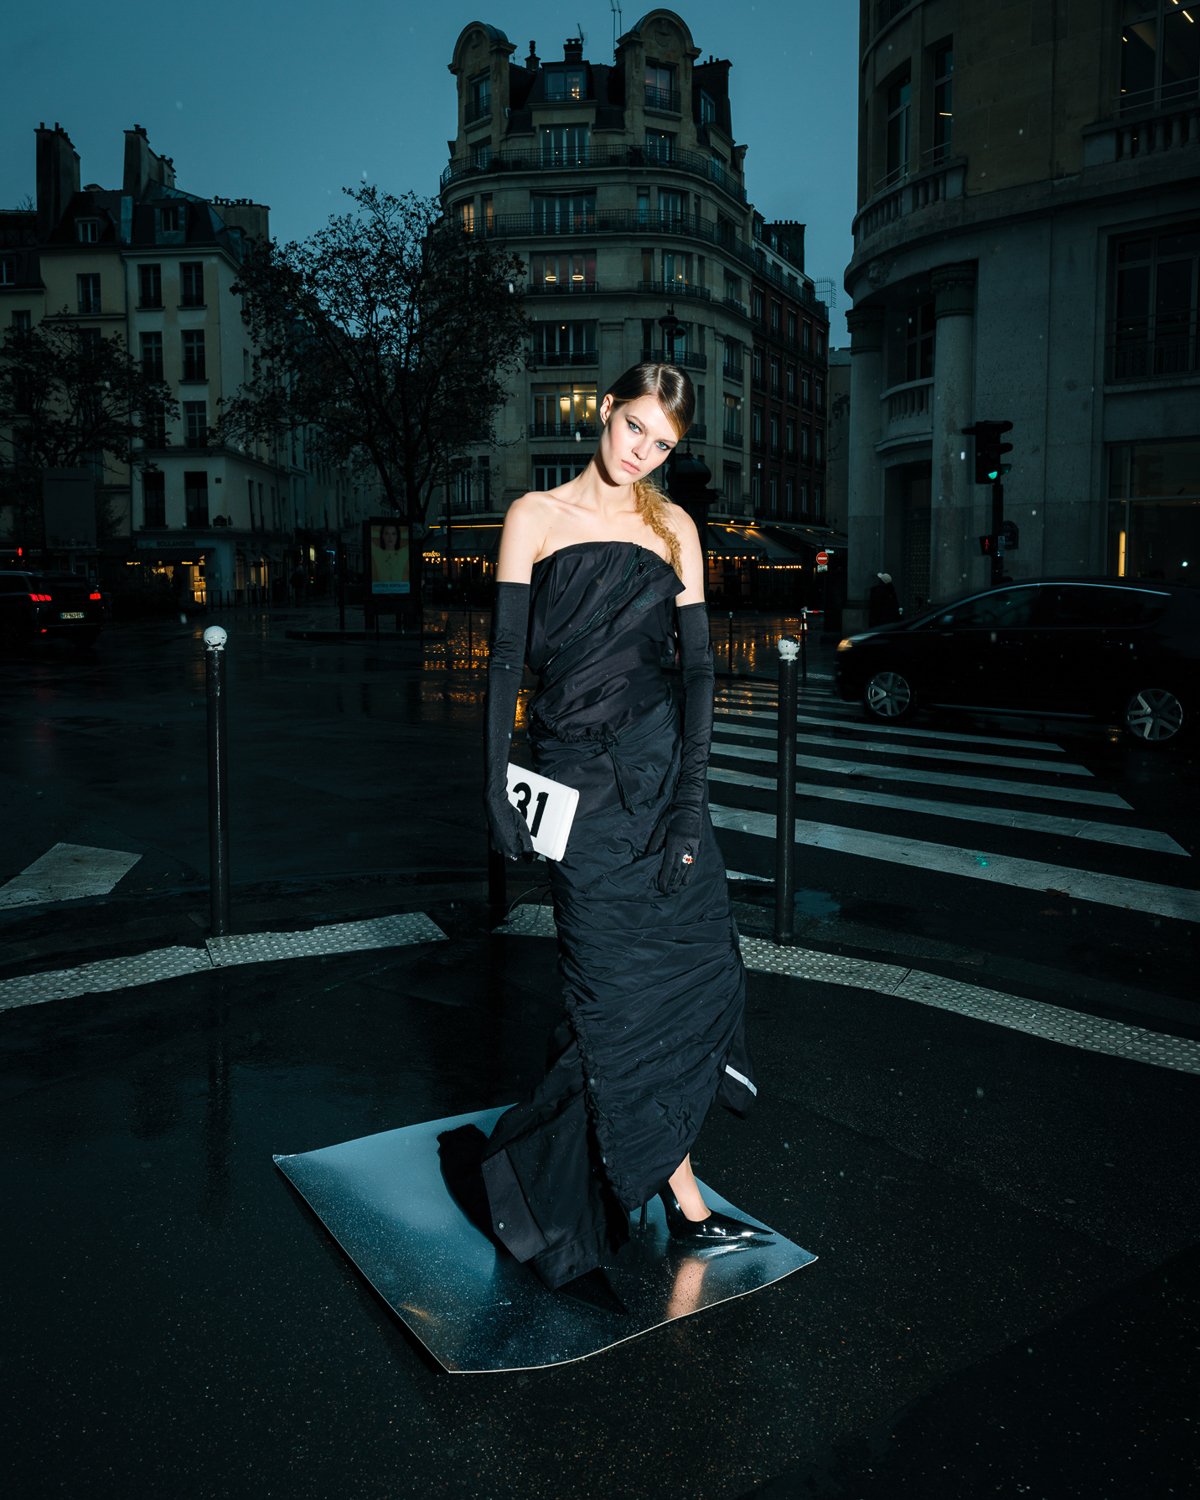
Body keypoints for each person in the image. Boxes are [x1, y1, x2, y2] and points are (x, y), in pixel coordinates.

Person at [479, 362, 763, 1294]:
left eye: (664, 445)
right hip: (573, 788)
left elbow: (697, 678)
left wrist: (691, 801)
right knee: (609, 994)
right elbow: (507, 662)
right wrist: (491, 786)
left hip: (659, 781)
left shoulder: (674, 527)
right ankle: (673, 1203)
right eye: (635, 427)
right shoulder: (533, 517)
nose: (643, 453)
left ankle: (662, 1184)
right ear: (604, 411)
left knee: (702, 972)